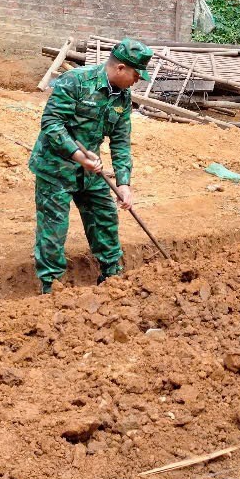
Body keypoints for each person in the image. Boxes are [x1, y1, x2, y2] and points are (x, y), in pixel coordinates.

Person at [30, 37, 153, 294]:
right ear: (120, 68)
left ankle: (111, 276)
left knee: (104, 216)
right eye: (135, 74)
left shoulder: (122, 97)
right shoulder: (76, 81)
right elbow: (52, 123)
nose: (137, 80)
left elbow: (121, 143)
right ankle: (50, 286)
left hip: (91, 170)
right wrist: (78, 155)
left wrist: (124, 184)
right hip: (56, 167)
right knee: (54, 228)